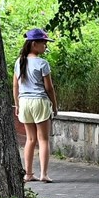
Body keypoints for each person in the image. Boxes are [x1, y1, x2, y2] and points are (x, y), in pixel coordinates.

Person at [13, 28, 57, 183]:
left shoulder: (19, 62)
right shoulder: (43, 63)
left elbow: (15, 86)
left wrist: (17, 104)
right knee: (43, 139)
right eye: (44, 43)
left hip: (24, 102)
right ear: (34, 44)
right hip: (39, 102)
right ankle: (44, 174)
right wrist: (54, 105)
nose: (45, 46)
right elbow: (49, 88)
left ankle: (28, 174)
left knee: (30, 139)